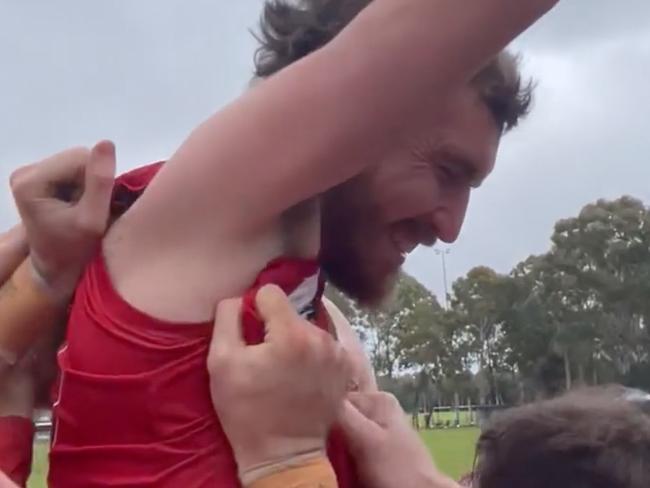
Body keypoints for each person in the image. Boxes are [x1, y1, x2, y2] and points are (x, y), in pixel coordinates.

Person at [3, 0, 560, 485]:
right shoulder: (208, 208)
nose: (451, 227)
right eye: (445, 170)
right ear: (365, 115)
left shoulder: (310, 321)